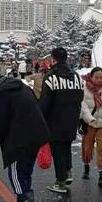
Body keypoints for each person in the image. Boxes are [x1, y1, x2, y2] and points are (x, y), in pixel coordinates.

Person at [0, 66, 50, 202]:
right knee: (24, 172)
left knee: (17, 174)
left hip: (20, 139)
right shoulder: (17, 86)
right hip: (35, 135)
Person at [39, 48, 84, 193]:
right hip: (72, 118)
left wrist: (40, 117)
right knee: (66, 146)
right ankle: (67, 172)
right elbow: (80, 97)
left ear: (53, 59)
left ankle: (60, 181)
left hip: (55, 120)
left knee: (57, 150)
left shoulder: (51, 76)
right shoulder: (76, 76)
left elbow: (45, 102)